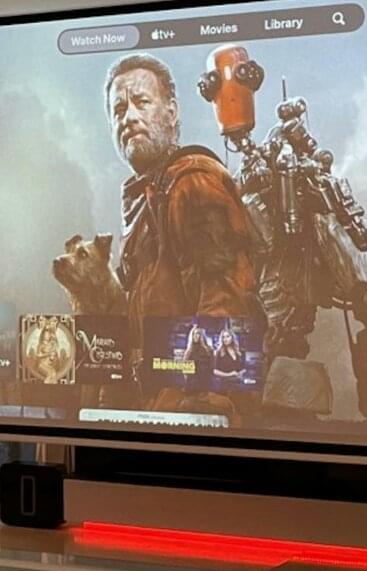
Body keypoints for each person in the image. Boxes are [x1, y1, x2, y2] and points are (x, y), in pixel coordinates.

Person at [106, 53, 261, 417]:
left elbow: (226, 298)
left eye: (142, 102)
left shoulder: (191, 181)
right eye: (118, 110)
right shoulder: (149, 197)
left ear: (172, 112)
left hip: (189, 414)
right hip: (157, 409)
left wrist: (201, 409)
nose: (129, 117)